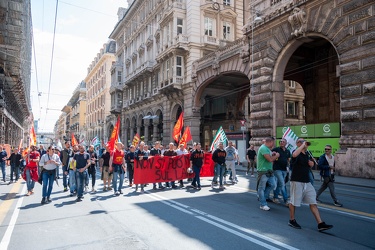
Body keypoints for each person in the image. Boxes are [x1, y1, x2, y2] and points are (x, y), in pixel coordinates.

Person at [288, 139, 333, 231]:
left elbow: (305, 165)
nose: (305, 143)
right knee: (294, 202)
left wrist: (311, 164)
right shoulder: (295, 152)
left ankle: (320, 223)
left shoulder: (307, 154)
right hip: (296, 181)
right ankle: (292, 220)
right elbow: (294, 155)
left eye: (305, 142)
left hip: (306, 181)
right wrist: (302, 145)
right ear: (297, 144)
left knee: (313, 201)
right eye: (301, 142)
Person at [257, 137, 279, 211]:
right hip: (263, 171)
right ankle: (263, 204)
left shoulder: (267, 149)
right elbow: (269, 159)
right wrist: (276, 156)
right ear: (270, 142)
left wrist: (272, 153)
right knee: (261, 188)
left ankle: (262, 197)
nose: (273, 144)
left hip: (269, 171)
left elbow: (269, 156)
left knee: (273, 185)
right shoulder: (263, 148)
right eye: (273, 143)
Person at [272, 139, 291, 205]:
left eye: (283, 142)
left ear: (286, 143)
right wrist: (273, 154)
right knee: (282, 183)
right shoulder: (276, 149)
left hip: (284, 169)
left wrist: (288, 168)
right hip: (277, 169)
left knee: (280, 184)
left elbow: (288, 160)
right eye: (280, 142)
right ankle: (286, 200)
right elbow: (271, 154)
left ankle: (275, 197)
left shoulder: (288, 151)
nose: (281, 142)